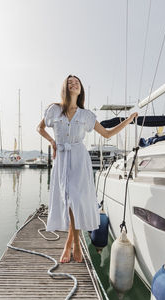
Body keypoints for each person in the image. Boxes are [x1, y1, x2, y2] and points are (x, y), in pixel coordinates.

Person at [37, 74, 138, 264]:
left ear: (80, 89)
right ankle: (73, 242)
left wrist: (128, 121)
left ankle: (72, 243)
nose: (73, 83)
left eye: (76, 82)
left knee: (75, 199)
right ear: (65, 88)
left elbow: (107, 134)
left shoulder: (86, 115)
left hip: (79, 159)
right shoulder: (54, 110)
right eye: (69, 82)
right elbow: (39, 128)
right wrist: (52, 142)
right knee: (66, 200)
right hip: (62, 158)